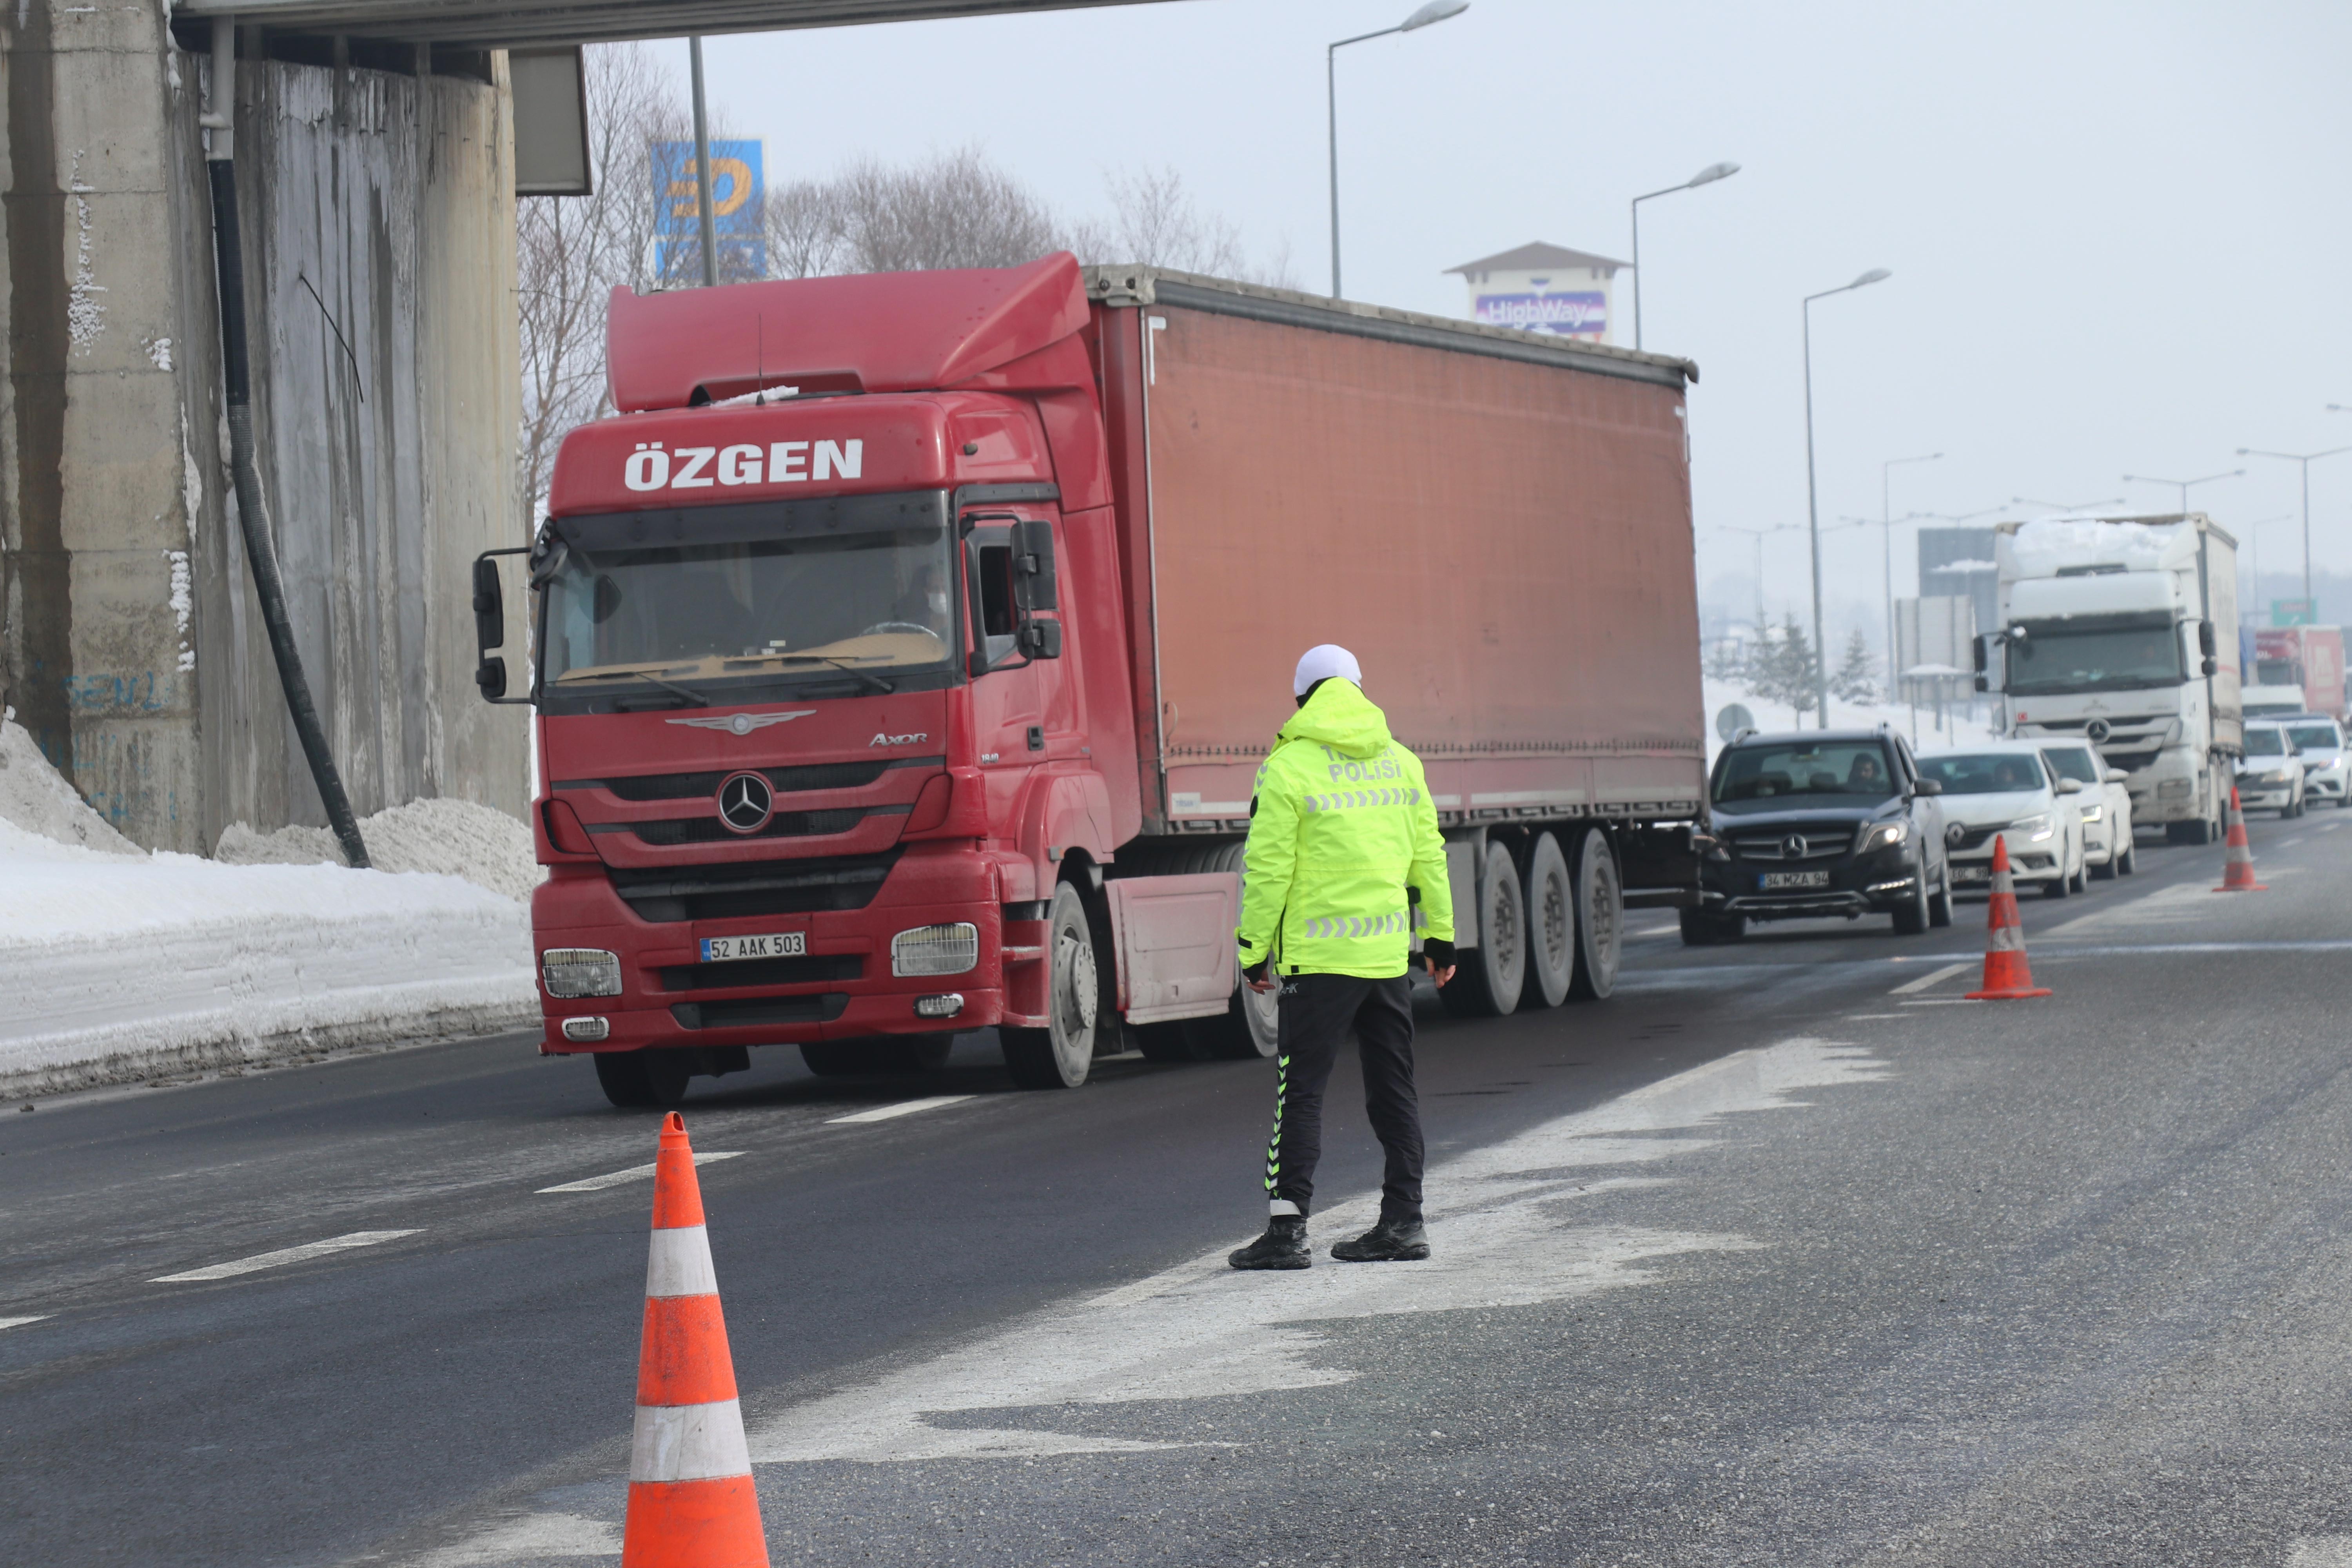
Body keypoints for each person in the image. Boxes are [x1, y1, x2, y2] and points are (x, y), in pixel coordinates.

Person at [1226, 644, 1457, 1271]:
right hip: (1386, 958)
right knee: (1395, 1090)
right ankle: (1405, 1223)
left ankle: (1286, 1231)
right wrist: (1439, 938)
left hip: (1318, 961)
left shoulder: (1287, 767)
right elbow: (1428, 856)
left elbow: (1268, 868)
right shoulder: (1401, 762)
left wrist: (1253, 951)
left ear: (1302, 700)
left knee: (1299, 1092)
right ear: (1359, 689)